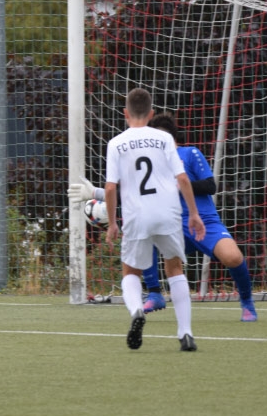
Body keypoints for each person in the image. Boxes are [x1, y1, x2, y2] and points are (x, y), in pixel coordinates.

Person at [71, 112, 258, 322]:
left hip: (203, 222)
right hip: (170, 223)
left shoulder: (189, 153)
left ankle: (247, 302)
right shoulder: (150, 163)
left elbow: (210, 185)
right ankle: (155, 294)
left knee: (233, 257)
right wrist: (95, 193)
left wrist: (178, 186)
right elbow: (130, 193)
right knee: (145, 233)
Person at [96, 87, 204, 352]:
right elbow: (182, 178)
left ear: (125, 113)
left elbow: (110, 188)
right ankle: (186, 333)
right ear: (151, 113)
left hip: (137, 215)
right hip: (167, 212)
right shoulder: (165, 139)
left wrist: (112, 223)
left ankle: (136, 310)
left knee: (130, 271)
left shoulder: (116, 143)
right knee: (175, 269)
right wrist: (194, 213)